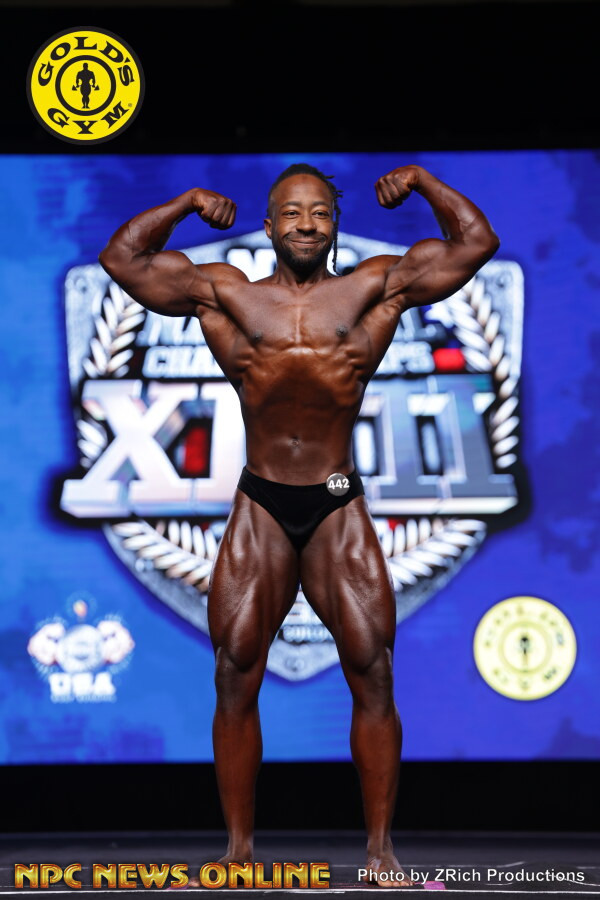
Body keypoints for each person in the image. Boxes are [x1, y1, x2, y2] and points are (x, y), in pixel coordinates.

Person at [99, 163, 499, 886]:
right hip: (262, 499)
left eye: (319, 212)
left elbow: (475, 244)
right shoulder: (226, 293)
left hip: (337, 497)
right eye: (291, 212)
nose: (306, 223)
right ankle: (239, 853)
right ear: (270, 224)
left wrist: (422, 181)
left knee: (373, 671)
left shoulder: (377, 286)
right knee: (234, 673)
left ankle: (380, 853)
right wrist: (185, 202)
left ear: (335, 224)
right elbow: (122, 260)